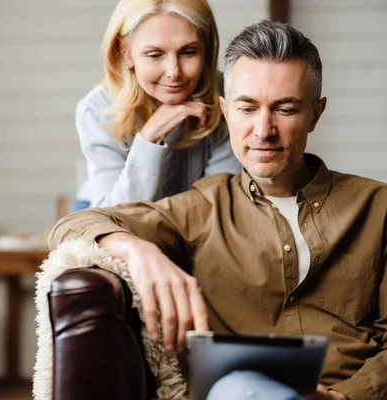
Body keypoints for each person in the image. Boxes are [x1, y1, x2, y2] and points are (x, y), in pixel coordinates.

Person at [50, 20, 386, 400]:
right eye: (247, 108)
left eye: (285, 109)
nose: (263, 129)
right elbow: (72, 227)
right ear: (226, 111)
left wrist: (345, 396)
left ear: (316, 113)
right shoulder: (201, 207)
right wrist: (138, 251)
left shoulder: (377, 206)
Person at [70, 0, 241, 212]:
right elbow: (115, 216)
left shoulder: (228, 97)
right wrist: (151, 134)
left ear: (205, 48)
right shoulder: (97, 109)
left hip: (188, 217)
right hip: (104, 206)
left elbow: (217, 205)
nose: (173, 72)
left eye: (188, 52)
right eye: (155, 55)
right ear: (125, 52)